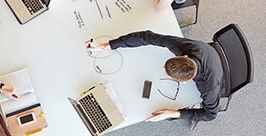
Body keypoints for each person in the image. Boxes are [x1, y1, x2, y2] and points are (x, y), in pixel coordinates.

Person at [85, 30, 223, 127]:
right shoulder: (185, 47)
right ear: (183, 57)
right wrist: (108, 45)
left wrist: (175, 113)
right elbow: (147, 37)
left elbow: (210, 114)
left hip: (217, 71)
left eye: (167, 72)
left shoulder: (209, 88)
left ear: (183, 82)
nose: (163, 68)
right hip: (207, 53)